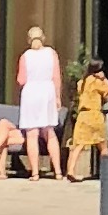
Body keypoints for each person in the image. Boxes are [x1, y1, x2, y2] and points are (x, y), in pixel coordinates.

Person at [10, 26, 66, 180]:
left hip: (31, 92)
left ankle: (35, 172)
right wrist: (58, 97)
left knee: (32, 134)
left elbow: (21, 80)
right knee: (50, 132)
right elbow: (56, 77)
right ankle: (58, 171)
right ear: (43, 38)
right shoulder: (51, 53)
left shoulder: (25, 56)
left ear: (29, 40)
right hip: (47, 91)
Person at [67, 54, 108, 177]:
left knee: (78, 145)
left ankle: (71, 170)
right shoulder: (97, 82)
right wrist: (104, 79)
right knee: (103, 145)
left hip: (83, 115)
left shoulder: (81, 82)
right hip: (94, 115)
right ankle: (107, 172)